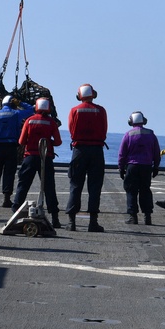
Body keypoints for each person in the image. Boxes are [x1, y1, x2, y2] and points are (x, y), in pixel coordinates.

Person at [11, 97, 62, 227]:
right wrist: (48, 142)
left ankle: (15, 211)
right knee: (49, 187)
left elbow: (21, 141)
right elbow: (58, 142)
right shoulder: (51, 123)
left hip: (30, 157)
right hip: (45, 158)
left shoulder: (29, 121)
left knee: (23, 185)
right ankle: (55, 217)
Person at [65, 83, 108, 232]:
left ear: (79, 96)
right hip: (97, 150)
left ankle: (71, 222)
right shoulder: (101, 110)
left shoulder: (74, 111)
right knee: (95, 187)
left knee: (75, 185)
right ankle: (93, 222)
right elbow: (104, 130)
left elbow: (71, 129)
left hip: (79, 151)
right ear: (93, 94)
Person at [0, 95, 34, 207]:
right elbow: (31, 110)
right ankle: (6, 199)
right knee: (9, 173)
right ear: (12, 103)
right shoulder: (16, 114)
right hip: (11, 147)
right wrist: (20, 103)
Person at [118, 111, 160, 226]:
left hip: (132, 167)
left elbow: (122, 154)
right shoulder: (151, 134)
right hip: (146, 167)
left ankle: (133, 216)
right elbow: (156, 152)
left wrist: (121, 168)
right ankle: (147, 217)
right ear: (143, 121)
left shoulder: (128, 134)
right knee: (145, 190)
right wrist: (156, 166)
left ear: (130, 121)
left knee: (131, 191)